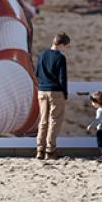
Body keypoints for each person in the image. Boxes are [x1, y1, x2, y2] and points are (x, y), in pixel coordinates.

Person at [35, 32, 70, 160]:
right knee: (54, 121)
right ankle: (50, 150)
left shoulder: (42, 54)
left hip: (42, 91)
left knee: (43, 121)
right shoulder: (60, 58)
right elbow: (62, 79)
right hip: (55, 92)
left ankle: (39, 149)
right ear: (62, 44)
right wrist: (65, 94)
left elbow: (37, 73)